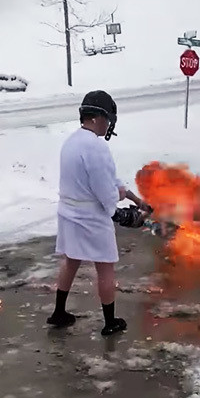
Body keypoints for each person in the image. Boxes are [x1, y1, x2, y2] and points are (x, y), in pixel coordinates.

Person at [47, 90, 150, 336]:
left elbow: (110, 179)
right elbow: (105, 191)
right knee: (105, 268)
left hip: (69, 213)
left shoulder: (72, 141)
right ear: (98, 118)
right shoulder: (96, 147)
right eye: (109, 119)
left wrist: (135, 198)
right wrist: (121, 213)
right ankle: (110, 322)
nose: (109, 125)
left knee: (71, 261)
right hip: (91, 218)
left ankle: (59, 312)